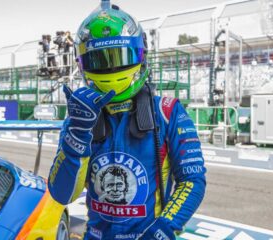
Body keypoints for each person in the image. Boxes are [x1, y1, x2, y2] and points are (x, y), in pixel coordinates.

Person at [48, 1, 206, 239]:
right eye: (100, 60)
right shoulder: (80, 116)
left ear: (141, 54)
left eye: (119, 56)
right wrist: (78, 135)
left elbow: (192, 180)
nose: (111, 68)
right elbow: (62, 195)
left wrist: (164, 228)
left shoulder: (168, 111)